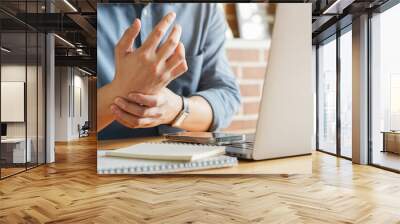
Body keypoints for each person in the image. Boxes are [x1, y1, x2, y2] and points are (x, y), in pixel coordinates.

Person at [97, 3, 241, 139]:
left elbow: (227, 97)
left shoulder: (205, 8)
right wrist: (120, 91)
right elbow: (75, 119)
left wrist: (175, 109)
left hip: (184, 157)